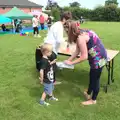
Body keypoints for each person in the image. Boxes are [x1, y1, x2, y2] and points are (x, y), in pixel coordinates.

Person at [64, 21, 107, 105]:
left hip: (99, 59)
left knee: (95, 79)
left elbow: (84, 57)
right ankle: (88, 93)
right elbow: (77, 50)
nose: (66, 34)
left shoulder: (80, 38)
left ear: (70, 31)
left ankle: (93, 100)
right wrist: (69, 60)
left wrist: (71, 63)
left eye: (66, 32)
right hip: (98, 56)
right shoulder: (82, 32)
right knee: (92, 75)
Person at [44, 11, 72, 84]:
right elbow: (59, 40)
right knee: (52, 66)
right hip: (51, 48)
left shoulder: (57, 24)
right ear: (63, 19)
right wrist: (66, 40)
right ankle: (52, 82)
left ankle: (49, 80)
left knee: (50, 65)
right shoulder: (59, 26)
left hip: (48, 46)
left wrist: (65, 39)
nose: (68, 22)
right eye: (67, 20)